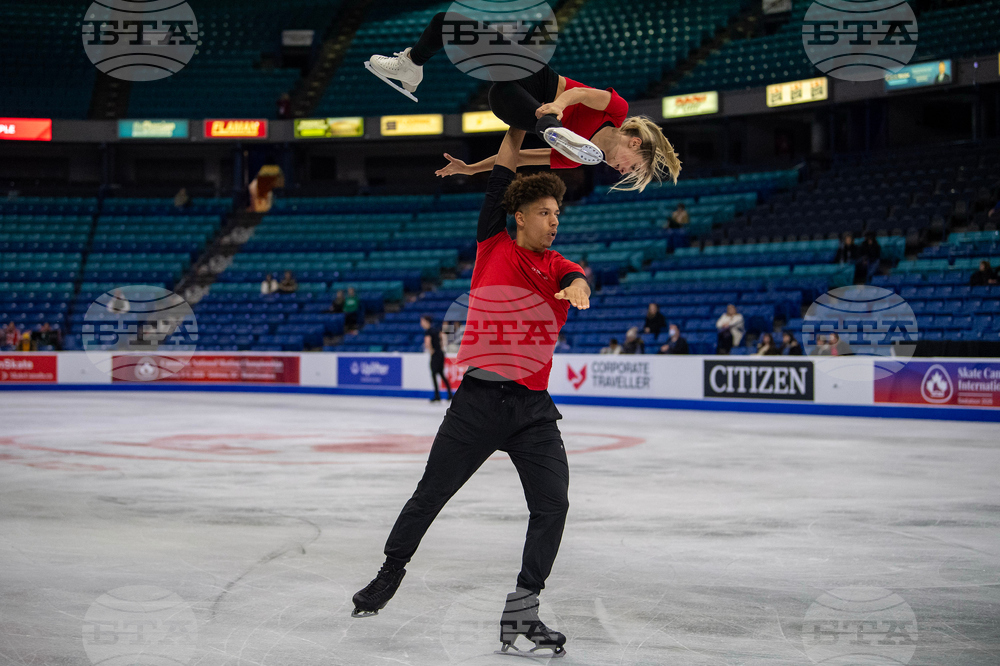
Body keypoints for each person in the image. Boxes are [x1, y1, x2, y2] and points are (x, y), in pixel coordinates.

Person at [351, 128, 589, 659]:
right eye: (546, 212)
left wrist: (577, 287)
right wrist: (521, 116)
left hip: (532, 411)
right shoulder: (493, 244)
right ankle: (390, 572)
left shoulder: (560, 267)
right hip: (477, 404)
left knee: (553, 506)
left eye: (559, 214)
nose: (555, 221)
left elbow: (578, 278)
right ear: (520, 215)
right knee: (430, 495)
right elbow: (504, 167)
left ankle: (523, 609)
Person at [367, 15, 681, 191]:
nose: (622, 170)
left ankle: (548, 128)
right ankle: (412, 64)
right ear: (634, 142)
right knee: (444, 23)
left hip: (515, 102)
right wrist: (558, 107)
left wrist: (471, 168)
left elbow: (517, 159)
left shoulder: (573, 159)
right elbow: (582, 94)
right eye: (632, 166)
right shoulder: (618, 110)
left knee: (506, 100)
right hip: (535, 75)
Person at [421, 314, 452, 402]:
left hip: (435, 354)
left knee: (434, 374)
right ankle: (449, 394)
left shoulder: (428, 331)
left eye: (422, 321)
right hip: (441, 353)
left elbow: (427, 343)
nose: (421, 323)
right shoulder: (436, 330)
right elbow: (442, 339)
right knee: (441, 374)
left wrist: (431, 350)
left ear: (426, 322)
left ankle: (437, 395)